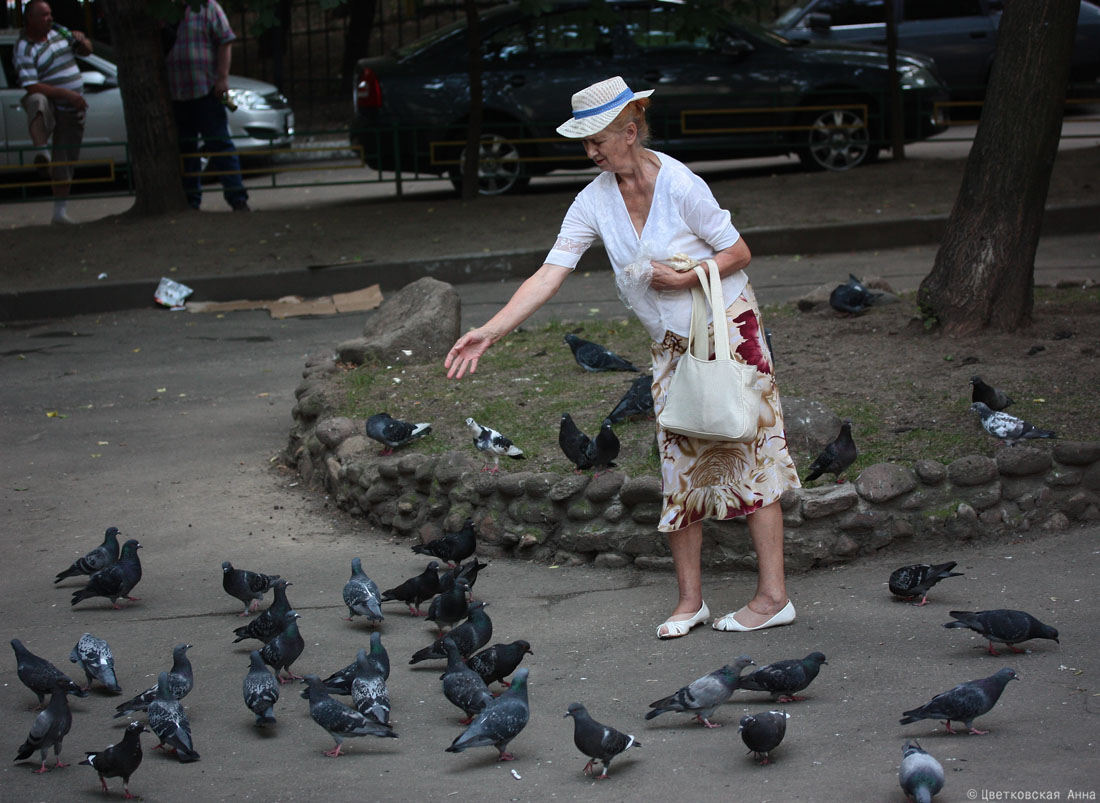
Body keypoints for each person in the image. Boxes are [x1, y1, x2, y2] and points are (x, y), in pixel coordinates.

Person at [444, 76, 802, 639]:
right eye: (584, 142)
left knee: (750, 453)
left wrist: (686, 277)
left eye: (597, 140)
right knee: (678, 465)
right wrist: (490, 330)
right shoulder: (593, 201)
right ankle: (690, 603)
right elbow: (550, 272)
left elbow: (739, 251)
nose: (589, 152)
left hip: (730, 332)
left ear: (630, 132)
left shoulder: (682, 185)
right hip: (670, 347)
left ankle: (773, 597)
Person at [165, 0, 249, 212]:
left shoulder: (208, 7)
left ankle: (237, 197)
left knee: (219, 144)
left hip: (205, 90)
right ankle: (191, 201)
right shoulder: (164, 10)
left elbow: (225, 41)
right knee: (186, 149)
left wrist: (222, 78)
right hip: (175, 93)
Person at [13, 0, 92, 225]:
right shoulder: (24, 47)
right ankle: (42, 151)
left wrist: (81, 39)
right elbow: (31, 85)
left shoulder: (59, 33)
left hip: (72, 107)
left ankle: (59, 212)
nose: (49, 19)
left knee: (66, 158)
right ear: (30, 19)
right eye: (43, 16)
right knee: (36, 100)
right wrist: (67, 94)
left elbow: (87, 51)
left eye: (50, 14)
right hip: (51, 101)